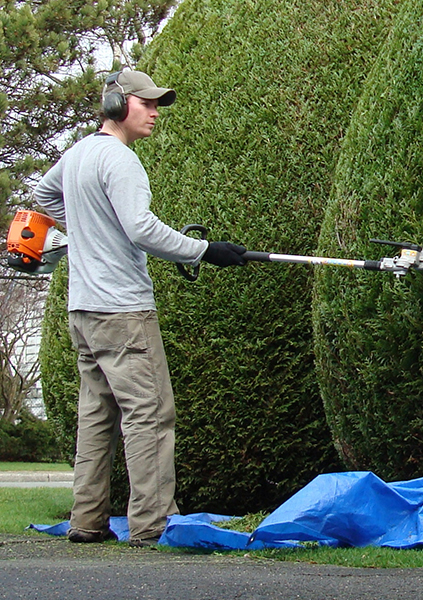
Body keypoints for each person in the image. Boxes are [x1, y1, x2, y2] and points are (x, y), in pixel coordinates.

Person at [34, 69, 247, 547]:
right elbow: (141, 229)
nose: (154, 113)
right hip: (123, 312)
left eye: (157, 105)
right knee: (149, 413)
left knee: (96, 415)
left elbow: (43, 196)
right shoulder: (120, 159)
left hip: (83, 313)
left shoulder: (78, 154)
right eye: (145, 103)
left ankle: (86, 521)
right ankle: (152, 525)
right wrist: (204, 250)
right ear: (116, 104)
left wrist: (89, 228)